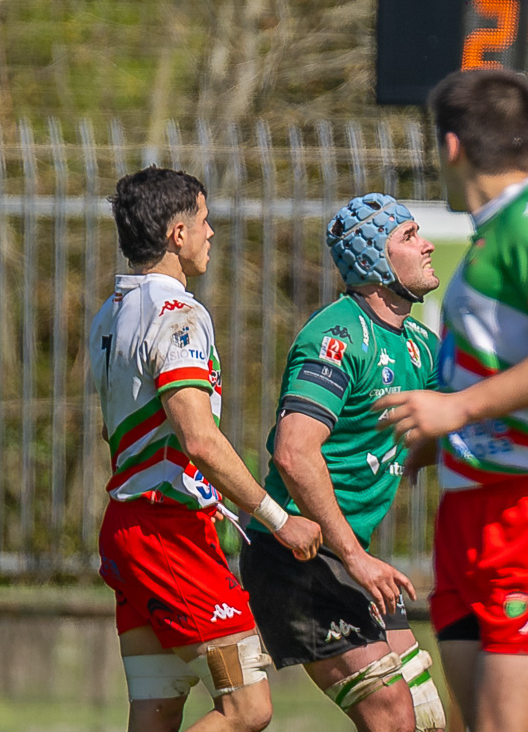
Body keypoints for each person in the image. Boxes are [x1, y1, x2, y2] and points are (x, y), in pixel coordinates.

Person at [375, 70, 528, 732]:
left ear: (450, 148)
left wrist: (459, 409)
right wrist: (438, 437)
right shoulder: (492, 232)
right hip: (471, 511)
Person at [88, 166, 324, 732]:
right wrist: (276, 518)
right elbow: (199, 439)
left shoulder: (111, 313)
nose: (211, 232)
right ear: (177, 234)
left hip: (127, 526)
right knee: (248, 708)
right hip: (169, 533)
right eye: (204, 219)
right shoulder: (178, 314)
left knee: (157, 709)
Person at [240, 193, 446, 732]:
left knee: (426, 719)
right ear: (376, 264)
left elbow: (459, 426)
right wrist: (354, 557)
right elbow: (293, 450)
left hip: (347, 557)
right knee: (394, 718)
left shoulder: (422, 345)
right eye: (408, 237)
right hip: (301, 558)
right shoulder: (335, 337)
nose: (427, 246)